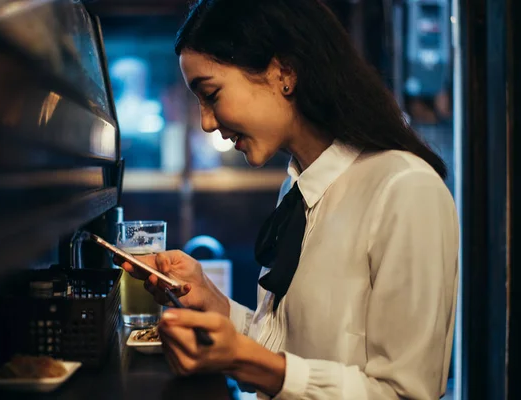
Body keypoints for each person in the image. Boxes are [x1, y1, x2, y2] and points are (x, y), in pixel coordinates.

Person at [115, 0, 459, 399]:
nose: (207, 121)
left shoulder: (404, 188)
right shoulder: (297, 188)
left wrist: (243, 361)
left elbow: (405, 393)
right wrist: (212, 301)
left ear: (284, 73)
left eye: (211, 94)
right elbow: (290, 352)